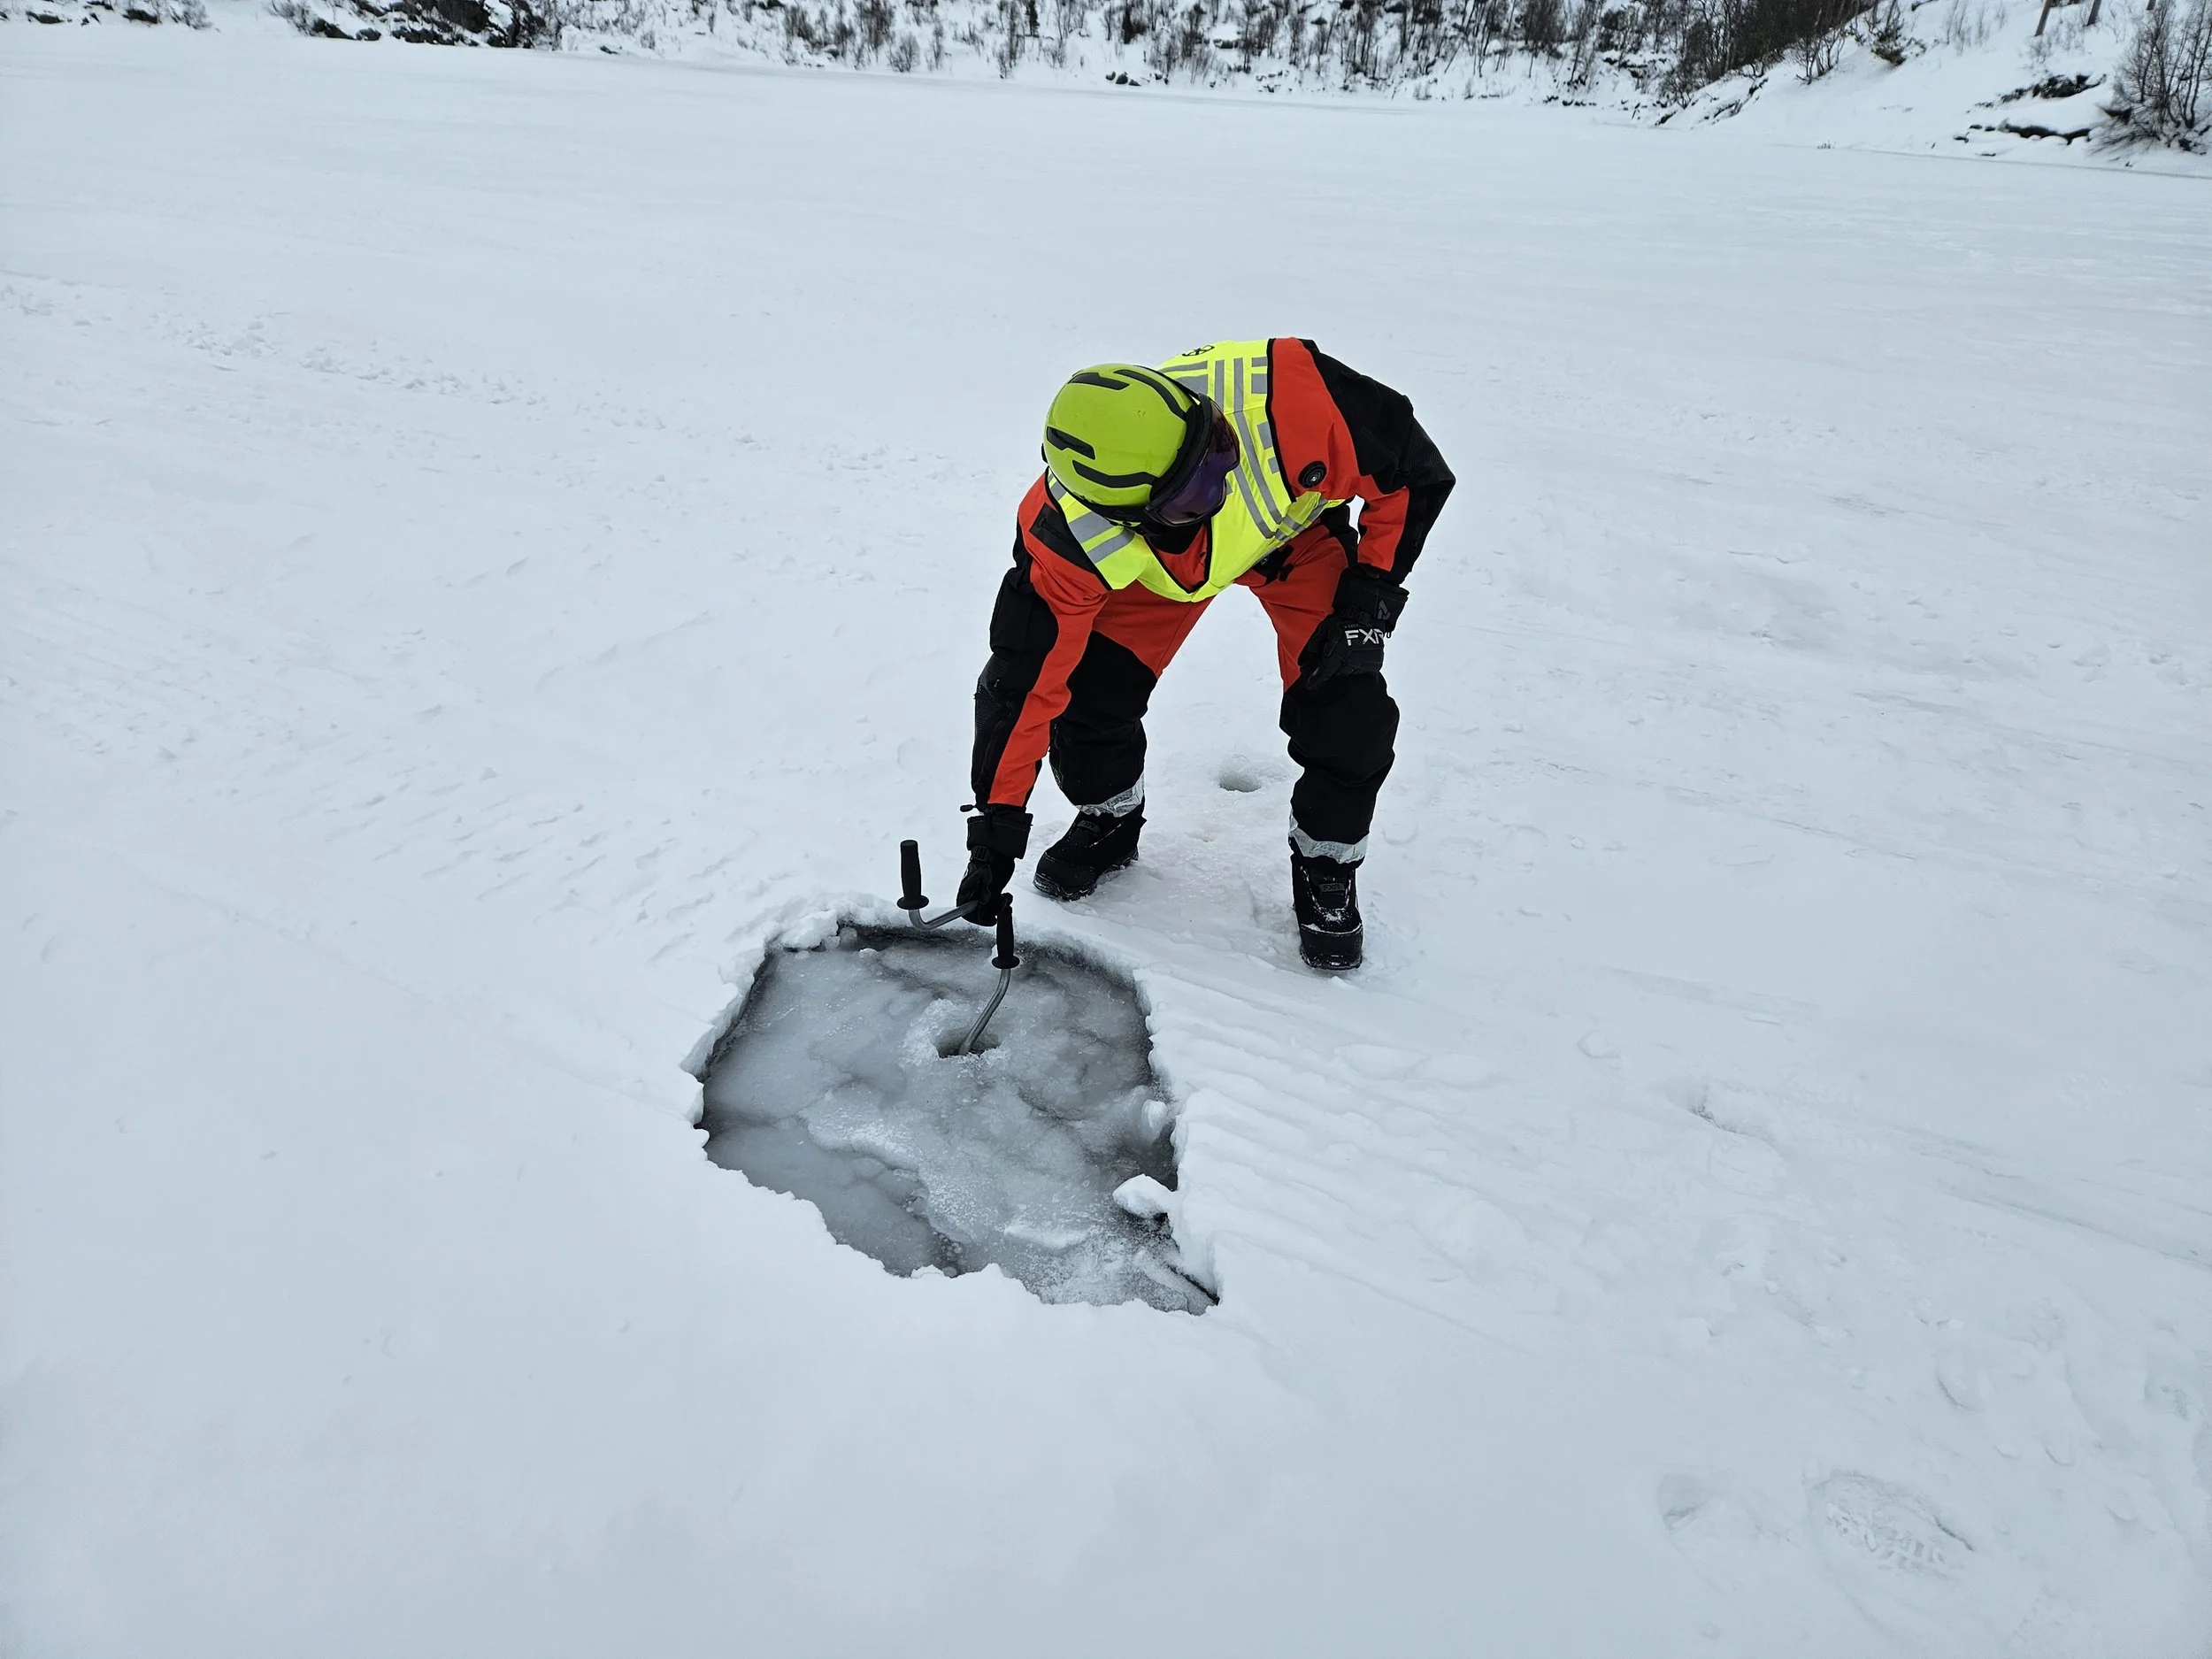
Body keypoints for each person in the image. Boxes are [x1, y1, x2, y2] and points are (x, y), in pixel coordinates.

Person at [956, 339, 1453, 971]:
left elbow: (1414, 471)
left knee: (1348, 710)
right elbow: (1022, 685)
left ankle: (1327, 864)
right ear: (1131, 516)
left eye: (1218, 447)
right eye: (1197, 490)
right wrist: (996, 828)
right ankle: (1109, 816)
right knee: (1086, 693)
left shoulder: (1297, 398)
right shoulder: (1066, 538)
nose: (1225, 476)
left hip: (1291, 538)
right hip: (1166, 572)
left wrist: (1370, 602)